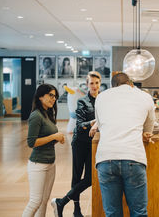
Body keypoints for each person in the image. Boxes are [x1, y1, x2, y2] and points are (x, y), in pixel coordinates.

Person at [93, 72, 155, 216]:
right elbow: (149, 128)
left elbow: (101, 125)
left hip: (106, 157)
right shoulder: (145, 96)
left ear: (112, 86)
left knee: (112, 213)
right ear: (130, 84)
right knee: (139, 212)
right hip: (133, 156)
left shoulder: (101, 96)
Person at [52, 71, 101, 217]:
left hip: (93, 144)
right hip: (80, 142)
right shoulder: (82, 102)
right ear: (87, 85)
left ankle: (61, 202)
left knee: (90, 178)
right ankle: (76, 209)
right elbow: (79, 125)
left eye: (96, 83)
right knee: (77, 175)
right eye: (91, 83)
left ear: (100, 84)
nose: (94, 86)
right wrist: (94, 122)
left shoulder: (103, 100)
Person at [22, 84, 65, 217]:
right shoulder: (36, 116)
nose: (53, 99)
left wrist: (57, 138)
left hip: (50, 163)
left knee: (44, 201)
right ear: (41, 96)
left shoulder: (47, 114)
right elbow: (32, 142)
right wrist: (54, 136)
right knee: (35, 201)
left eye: (55, 96)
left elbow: (45, 139)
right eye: (50, 95)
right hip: (38, 165)